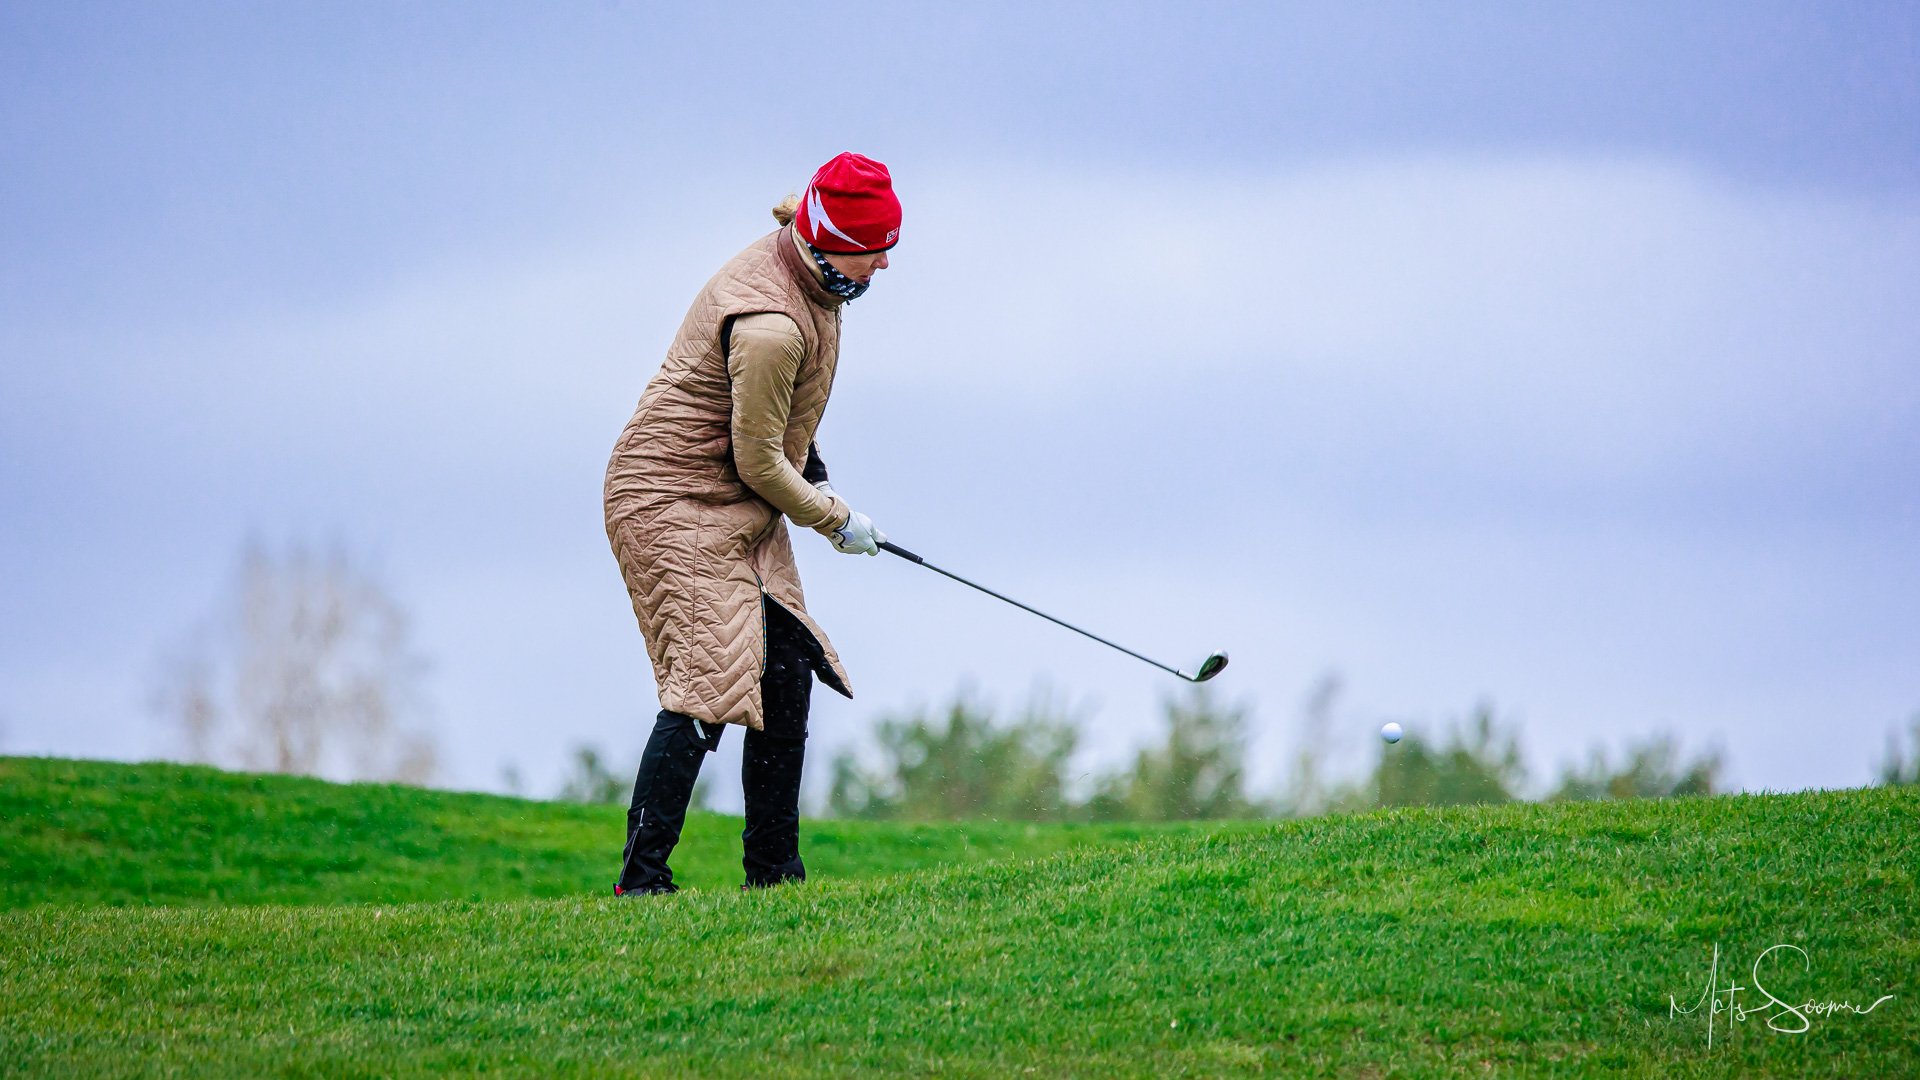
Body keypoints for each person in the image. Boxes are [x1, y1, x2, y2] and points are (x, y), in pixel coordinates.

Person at [603, 152, 899, 896]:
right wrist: (836, 520)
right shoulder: (770, 324)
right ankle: (641, 884)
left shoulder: (815, 280)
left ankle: (774, 875)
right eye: (875, 249)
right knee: (711, 682)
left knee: (785, 669)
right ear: (832, 241)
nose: (885, 265)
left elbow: (780, 420)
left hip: (733, 494)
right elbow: (760, 460)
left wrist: (820, 475)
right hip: (671, 497)